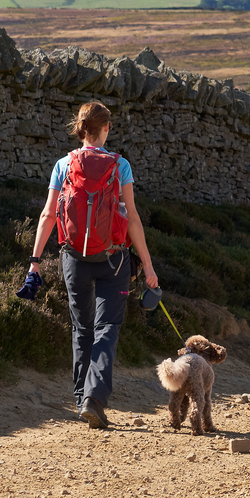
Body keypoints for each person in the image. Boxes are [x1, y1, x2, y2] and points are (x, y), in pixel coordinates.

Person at [23, 101, 160, 429]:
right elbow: (133, 220)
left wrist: (34, 263)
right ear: (106, 129)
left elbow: (47, 215)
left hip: (73, 258)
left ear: (81, 130)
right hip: (113, 259)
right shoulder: (120, 165)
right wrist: (149, 267)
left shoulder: (63, 164)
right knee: (107, 328)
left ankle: (82, 395)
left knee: (82, 328)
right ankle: (94, 399)